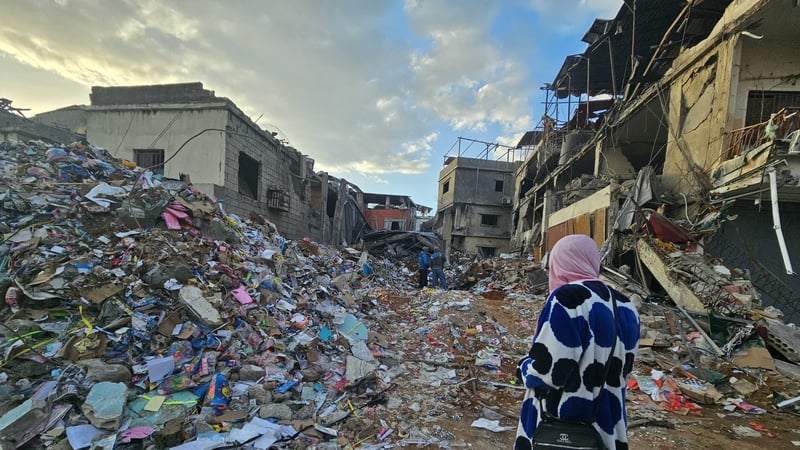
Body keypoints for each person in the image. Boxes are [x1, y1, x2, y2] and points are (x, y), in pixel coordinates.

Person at [515, 234, 640, 450]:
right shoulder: (625, 304)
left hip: (562, 427)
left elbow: (549, 373)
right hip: (608, 425)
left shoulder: (568, 298)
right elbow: (623, 370)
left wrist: (523, 367)